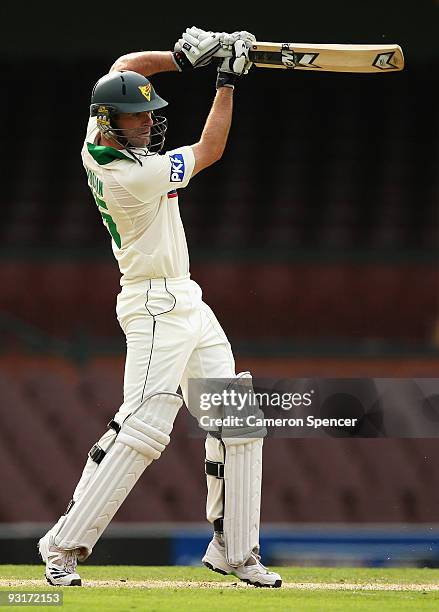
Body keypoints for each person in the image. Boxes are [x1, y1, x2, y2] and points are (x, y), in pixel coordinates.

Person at [38, 26, 282, 589]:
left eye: (149, 113)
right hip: (152, 306)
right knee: (144, 429)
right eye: (137, 117)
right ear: (110, 123)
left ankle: (236, 553)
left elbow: (126, 63)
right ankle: (63, 546)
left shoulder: (98, 135)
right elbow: (211, 150)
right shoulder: (131, 176)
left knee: (237, 421)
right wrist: (225, 79)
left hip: (186, 298)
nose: (148, 121)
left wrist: (177, 58)